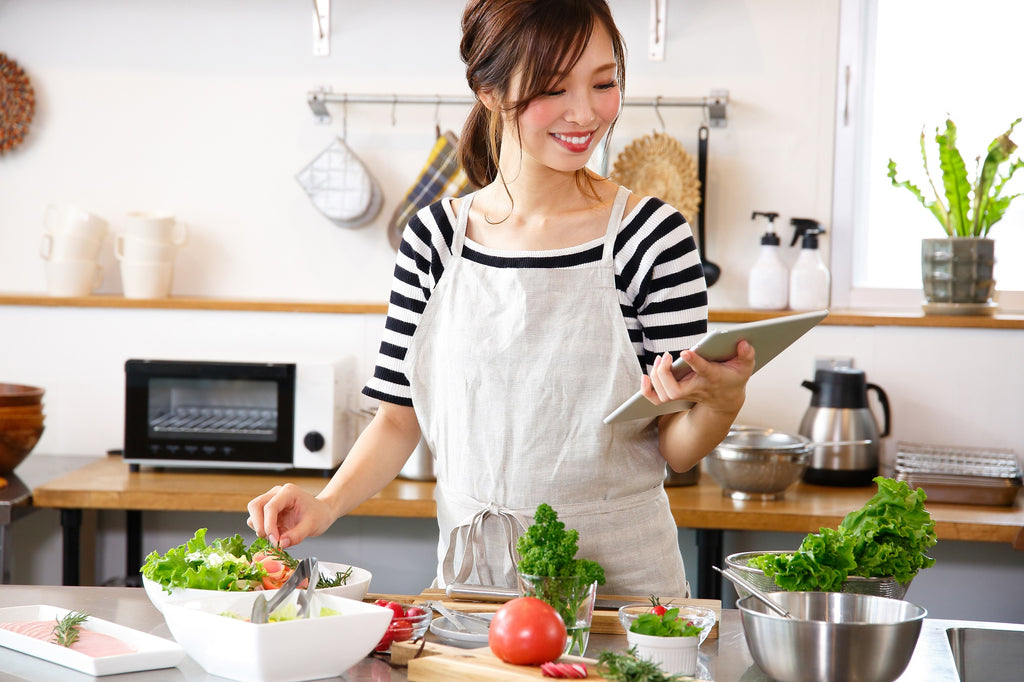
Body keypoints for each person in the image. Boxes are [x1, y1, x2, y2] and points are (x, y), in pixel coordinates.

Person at [247, 0, 754, 597]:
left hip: (621, 592)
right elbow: (397, 417)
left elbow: (675, 446)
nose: (585, 112)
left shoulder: (651, 237)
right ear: (487, 88)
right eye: (552, 87)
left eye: (603, 82)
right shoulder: (434, 238)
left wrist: (722, 402)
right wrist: (326, 504)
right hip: (475, 593)